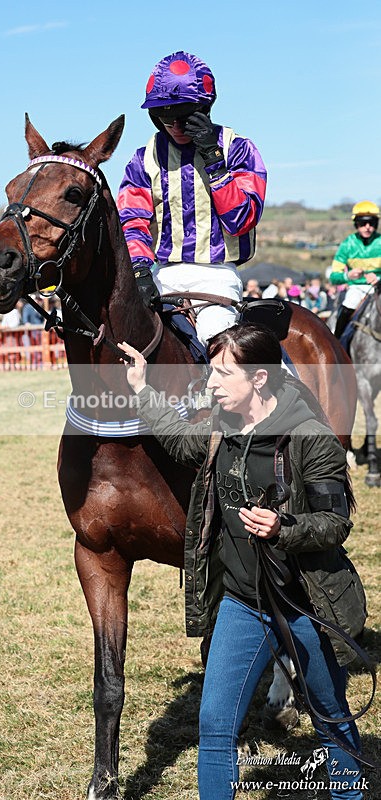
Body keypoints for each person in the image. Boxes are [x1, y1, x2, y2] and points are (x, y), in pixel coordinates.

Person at [118, 323, 368, 800]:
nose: (210, 383)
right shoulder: (220, 428)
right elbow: (176, 437)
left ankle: (347, 795)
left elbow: (335, 524)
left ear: (258, 379)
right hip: (241, 602)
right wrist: (141, 389)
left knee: (330, 715)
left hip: (306, 604)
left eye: (221, 373)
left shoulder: (310, 436)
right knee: (214, 725)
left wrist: (283, 529)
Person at [117, 51, 267, 345]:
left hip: (217, 277)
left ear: (204, 108)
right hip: (162, 275)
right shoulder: (142, 159)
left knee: (216, 344)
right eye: (165, 118)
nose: (174, 127)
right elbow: (131, 221)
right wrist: (138, 267)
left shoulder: (238, 149)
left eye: (184, 118)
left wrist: (215, 162)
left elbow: (241, 221)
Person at [330, 201, 381, 339]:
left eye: (371, 223)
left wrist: (378, 279)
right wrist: (348, 276)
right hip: (356, 289)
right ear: (356, 224)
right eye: (363, 223)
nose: (368, 227)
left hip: (379, 288)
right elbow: (334, 277)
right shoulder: (347, 244)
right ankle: (338, 342)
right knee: (349, 303)